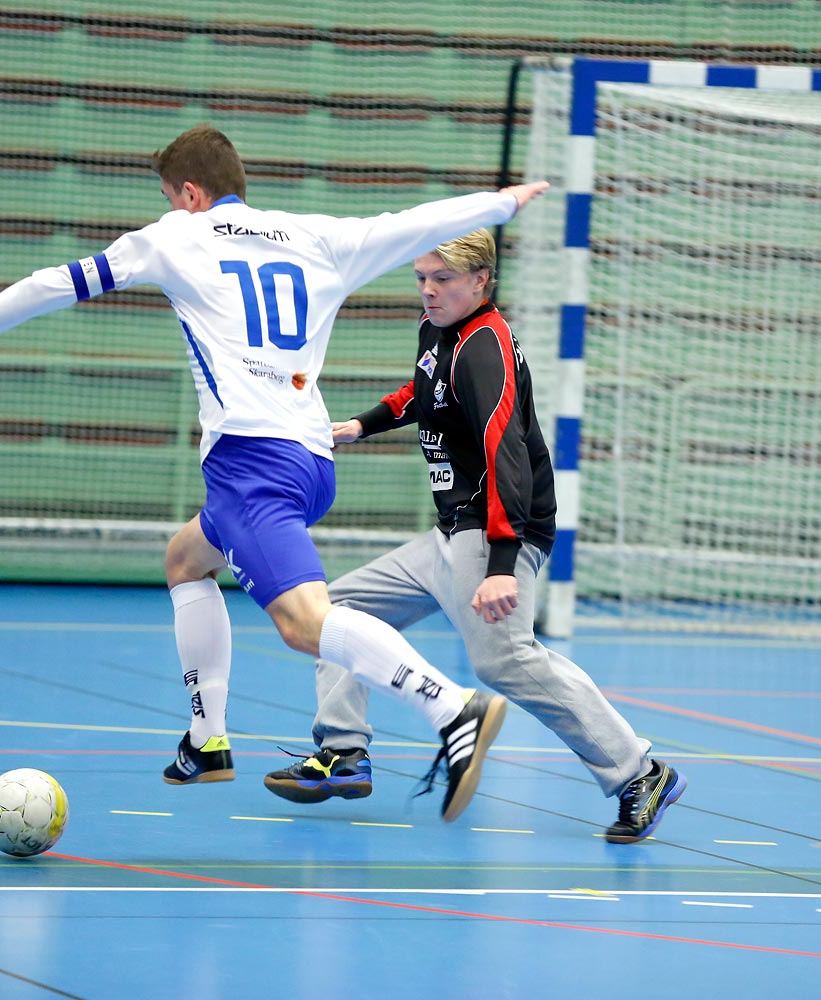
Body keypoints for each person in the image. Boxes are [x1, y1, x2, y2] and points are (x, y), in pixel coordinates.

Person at [0, 124, 550, 824]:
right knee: (186, 557)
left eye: (172, 199)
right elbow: (412, 222)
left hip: (251, 464)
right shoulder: (315, 236)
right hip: (309, 458)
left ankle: (453, 710)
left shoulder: (177, 237)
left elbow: (51, 284)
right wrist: (501, 203)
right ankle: (207, 739)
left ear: (190, 193)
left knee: (305, 624)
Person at [262, 229, 686, 843]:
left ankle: (639, 772)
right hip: (453, 530)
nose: (428, 290)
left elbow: (505, 452)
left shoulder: (486, 347)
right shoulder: (440, 328)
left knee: (505, 660)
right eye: (421, 278)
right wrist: (362, 425)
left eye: (443, 279)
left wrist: (501, 566)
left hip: (495, 531)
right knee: (339, 611)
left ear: (481, 279)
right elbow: (423, 392)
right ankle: (344, 754)